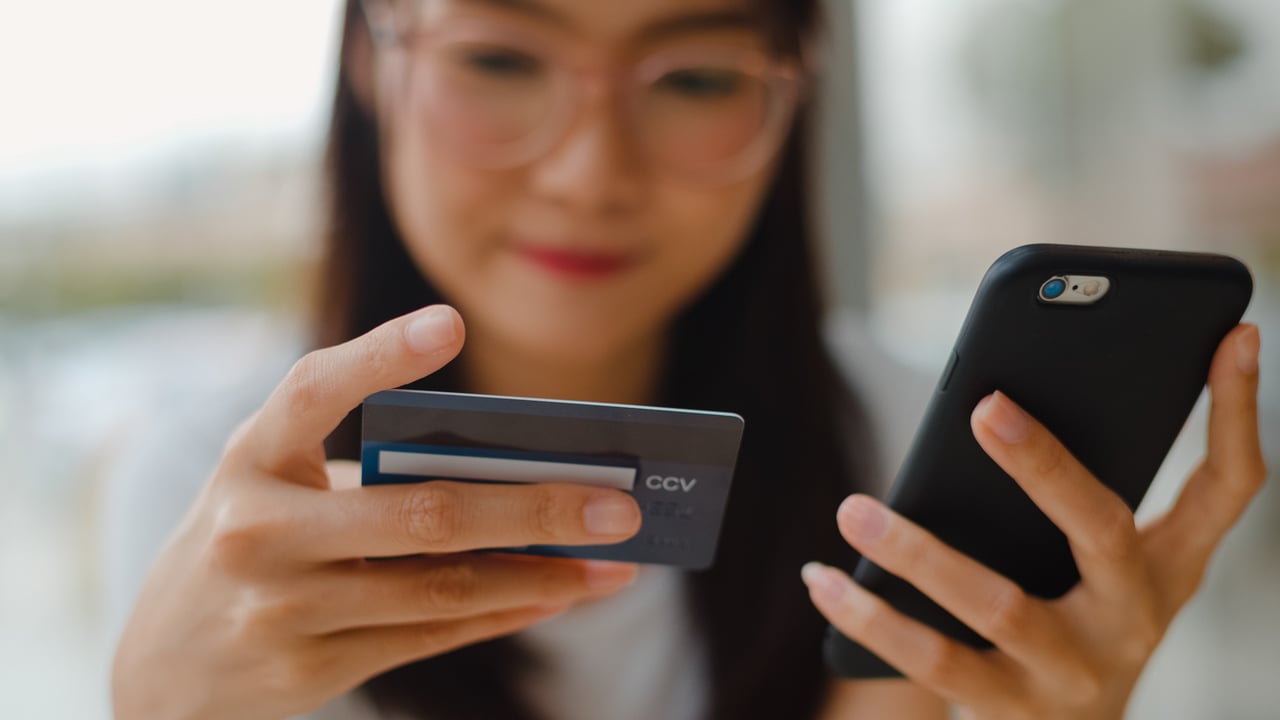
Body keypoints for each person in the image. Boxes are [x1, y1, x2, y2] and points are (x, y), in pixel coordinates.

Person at [109, 0, 1268, 718]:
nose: (588, 174)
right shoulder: (218, 495)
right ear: (371, 59)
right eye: (502, 58)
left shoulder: (913, 449)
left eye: (697, 76)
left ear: (791, 99)